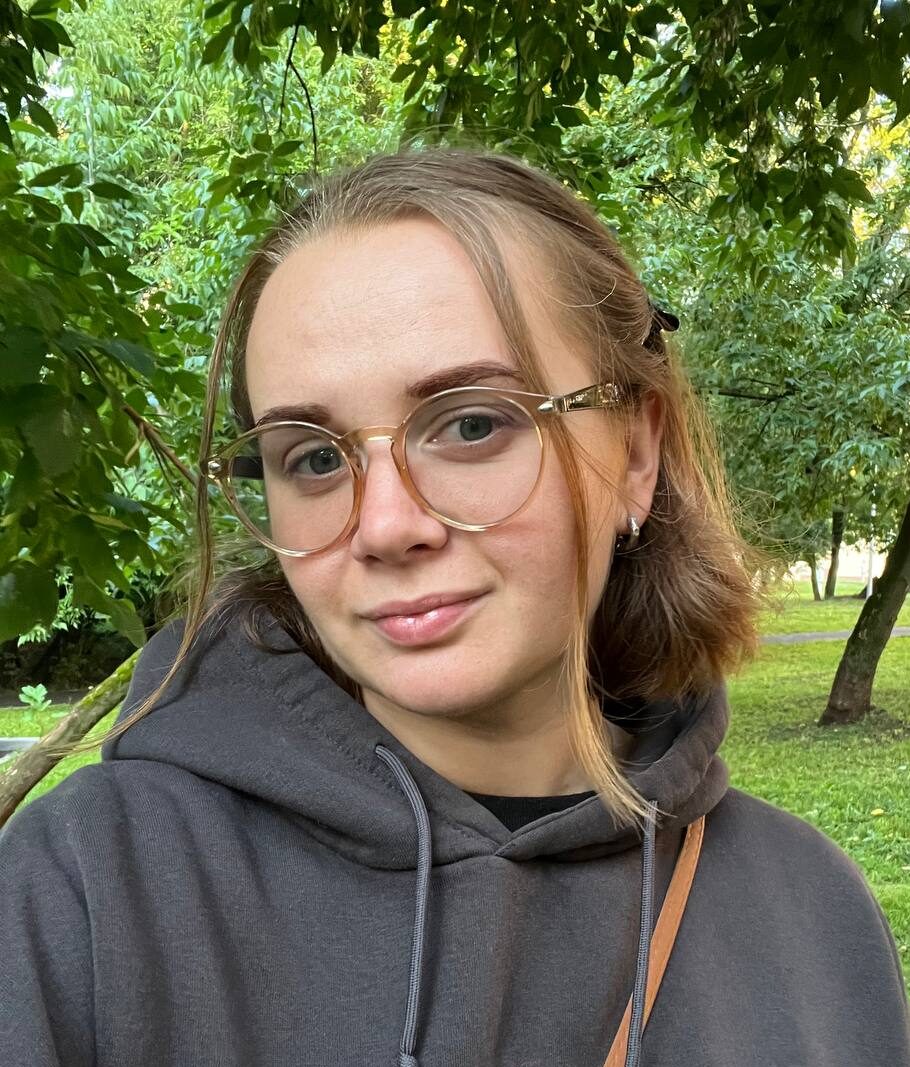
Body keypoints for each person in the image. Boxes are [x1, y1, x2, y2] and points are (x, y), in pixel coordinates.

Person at [1, 147, 907, 1067]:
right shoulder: (80, 897)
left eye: (473, 423)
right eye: (314, 457)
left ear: (636, 452)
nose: (385, 525)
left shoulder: (813, 921)